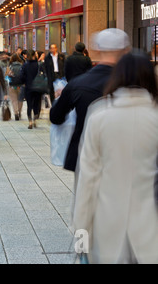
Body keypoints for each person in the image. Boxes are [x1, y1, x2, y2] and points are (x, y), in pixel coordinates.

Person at [72, 51, 158, 264]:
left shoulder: (99, 115)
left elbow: (88, 180)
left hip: (108, 224)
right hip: (151, 223)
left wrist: (81, 231)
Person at [50, 28, 131, 173]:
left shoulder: (77, 84)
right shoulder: (135, 83)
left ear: (98, 49)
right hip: (128, 155)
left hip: (85, 154)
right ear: (126, 50)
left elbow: (56, 117)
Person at [21, 50, 42, 129]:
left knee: (29, 105)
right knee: (36, 104)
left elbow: (22, 76)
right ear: (34, 55)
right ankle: (35, 120)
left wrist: (24, 82)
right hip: (38, 87)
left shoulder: (25, 65)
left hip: (28, 87)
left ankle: (30, 122)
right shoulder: (39, 65)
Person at [6, 53, 24, 121]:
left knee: (14, 100)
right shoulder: (22, 66)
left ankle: (16, 113)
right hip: (21, 85)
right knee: (20, 100)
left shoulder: (10, 66)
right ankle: (19, 112)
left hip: (12, 85)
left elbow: (7, 76)